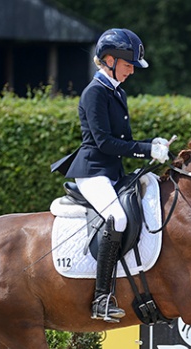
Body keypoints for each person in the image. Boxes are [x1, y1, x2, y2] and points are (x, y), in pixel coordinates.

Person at [63, 28, 170, 322]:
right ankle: (101, 297)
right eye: (128, 64)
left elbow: (123, 141)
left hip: (111, 170)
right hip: (93, 171)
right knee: (117, 218)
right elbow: (105, 142)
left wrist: (152, 146)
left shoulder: (116, 91)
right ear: (109, 60)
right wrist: (146, 149)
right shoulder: (94, 92)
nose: (132, 71)